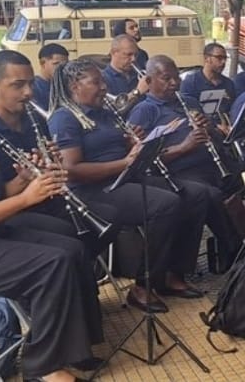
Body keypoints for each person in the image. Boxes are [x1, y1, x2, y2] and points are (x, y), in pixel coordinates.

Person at [0, 70, 98, 382]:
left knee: (71, 247)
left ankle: (74, 349)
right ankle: (43, 366)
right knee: (51, 264)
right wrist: (25, 200)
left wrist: (25, 180)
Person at [49, 59, 209, 314]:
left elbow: (120, 149)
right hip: (94, 190)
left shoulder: (104, 111)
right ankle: (143, 286)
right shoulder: (64, 118)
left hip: (124, 178)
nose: (104, 87)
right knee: (165, 205)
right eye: (96, 82)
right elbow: (72, 170)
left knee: (196, 195)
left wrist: (133, 144)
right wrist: (125, 161)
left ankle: (173, 272)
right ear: (74, 86)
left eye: (103, 81)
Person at [129, 55, 244, 272]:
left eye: (176, 77)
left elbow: (218, 139)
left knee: (243, 183)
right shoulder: (144, 111)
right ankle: (235, 249)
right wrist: (184, 147)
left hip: (210, 164)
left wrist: (209, 127)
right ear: (150, 81)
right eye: (166, 79)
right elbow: (142, 160)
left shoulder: (189, 101)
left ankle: (243, 244)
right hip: (177, 172)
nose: (174, 83)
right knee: (210, 194)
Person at [180, 42, 237, 126]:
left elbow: (233, 111)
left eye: (225, 58)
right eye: (219, 58)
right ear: (207, 58)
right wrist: (215, 127)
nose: (223, 62)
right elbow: (190, 113)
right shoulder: (191, 82)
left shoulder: (229, 84)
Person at [101, 34, 149, 110]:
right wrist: (138, 92)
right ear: (113, 53)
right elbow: (111, 110)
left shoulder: (139, 75)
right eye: (129, 54)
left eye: (135, 55)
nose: (133, 59)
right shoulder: (103, 79)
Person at [35, 43, 69, 110]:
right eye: (56, 64)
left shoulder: (66, 84)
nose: (61, 68)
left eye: (65, 64)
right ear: (42, 63)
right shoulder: (35, 88)